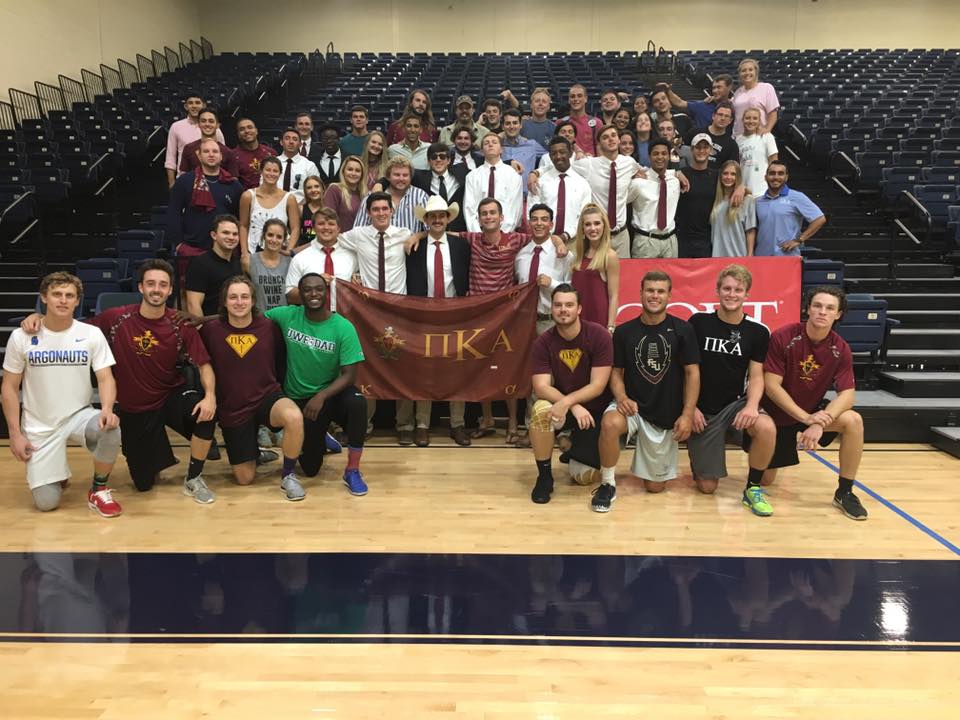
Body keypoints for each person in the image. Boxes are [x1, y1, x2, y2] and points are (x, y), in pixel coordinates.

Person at [17, 261, 218, 502]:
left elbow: (204, 365)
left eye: (163, 285)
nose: (157, 289)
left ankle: (193, 478)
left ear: (170, 290)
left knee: (205, 415)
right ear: (141, 287)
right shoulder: (116, 318)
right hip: (136, 408)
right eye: (151, 284)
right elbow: (70, 325)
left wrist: (210, 396)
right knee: (144, 484)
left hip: (170, 396)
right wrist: (39, 315)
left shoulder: (179, 324)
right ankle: (157, 455)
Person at [2, 272, 122, 516]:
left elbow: (106, 377)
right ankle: (57, 473)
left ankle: (98, 490)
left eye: (70, 295)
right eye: (57, 294)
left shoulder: (90, 334)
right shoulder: (22, 336)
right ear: (44, 298)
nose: (63, 300)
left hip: (79, 415)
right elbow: (9, 387)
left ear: (77, 301)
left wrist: (108, 409)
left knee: (110, 427)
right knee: (46, 504)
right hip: (40, 425)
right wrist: (15, 434)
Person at [751, 286, 868, 520]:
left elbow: (848, 394)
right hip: (778, 415)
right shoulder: (784, 336)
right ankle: (755, 479)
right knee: (767, 480)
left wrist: (820, 423)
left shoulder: (841, 348)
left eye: (829, 308)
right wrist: (806, 419)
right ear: (807, 308)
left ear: (838, 314)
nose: (822, 312)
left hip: (812, 413)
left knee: (853, 420)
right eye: (817, 305)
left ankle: (844, 492)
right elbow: (772, 386)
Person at [595, 271, 700, 511]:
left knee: (654, 487)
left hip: (665, 413)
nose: (655, 296)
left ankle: (646, 465)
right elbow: (616, 372)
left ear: (669, 296)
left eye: (660, 291)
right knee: (610, 422)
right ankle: (607, 484)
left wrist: (687, 413)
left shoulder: (683, 330)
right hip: (632, 407)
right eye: (650, 290)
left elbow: (692, 374)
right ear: (640, 293)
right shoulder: (623, 332)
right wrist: (621, 397)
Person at [199, 276, 305, 499]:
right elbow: (202, 364)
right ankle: (254, 452)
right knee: (244, 479)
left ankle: (288, 475)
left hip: (267, 396)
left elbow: (280, 360)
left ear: (253, 301)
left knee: (293, 416)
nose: (239, 302)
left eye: (245, 297)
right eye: (233, 297)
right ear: (225, 302)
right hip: (234, 408)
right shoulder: (210, 330)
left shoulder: (268, 327)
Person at [265, 274, 369, 495]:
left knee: (358, 403)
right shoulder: (287, 315)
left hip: (329, 395)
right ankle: (320, 434)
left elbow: (350, 375)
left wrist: (321, 396)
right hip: (300, 399)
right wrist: (203, 320)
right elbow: (245, 316)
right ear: (299, 295)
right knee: (310, 469)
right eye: (308, 290)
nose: (313, 294)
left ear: (327, 292)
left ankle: (352, 470)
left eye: (319, 289)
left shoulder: (343, 327)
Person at [686, 265, 776, 513]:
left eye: (738, 290)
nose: (732, 294)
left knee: (766, 428)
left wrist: (750, 406)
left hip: (736, 404)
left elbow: (757, 376)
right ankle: (705, 455)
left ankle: (752, 489)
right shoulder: (698, 323)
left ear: (747, 294)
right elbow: (686, 371)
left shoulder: (757, 332)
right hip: (704, 410)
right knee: (707, 487)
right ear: (717, 291)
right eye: (727, 288)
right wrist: (689, 409)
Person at [338, 192, 416, 444]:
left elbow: (431, 234)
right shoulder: (358, 235)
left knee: (402, 367)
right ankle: (365, 423)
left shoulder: (404, 233)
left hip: (398, 311)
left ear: (392, 211)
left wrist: (419, 235)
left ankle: (405, 424)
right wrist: (292, 250)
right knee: (368, 366)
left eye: (385, 208)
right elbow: (328, 239)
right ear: (369, 212)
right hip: (369, 314)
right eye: (376, 209)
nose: (381, 213)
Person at [528, 284, 613, 504]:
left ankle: (571, 445)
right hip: (563, 410)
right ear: (552, 308)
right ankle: (545, 477)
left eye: (569, 305)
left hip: (592, 415)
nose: (563, 310)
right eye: (558, 305)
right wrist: (571, 405)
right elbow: (541, 387)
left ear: (579, 309)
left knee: (583, 478)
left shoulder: (598, 335)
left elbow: (598, 385)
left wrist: (570, 401)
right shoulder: (543, 342)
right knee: (539, 410)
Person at [405, 196, 472, 446]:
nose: (437, 220)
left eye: (441, 215)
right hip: (423, 315)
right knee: (425, 370)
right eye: (432, 216)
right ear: (425, 220)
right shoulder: (414, 246)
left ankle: (458, 424)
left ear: (448, 218)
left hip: (455, 313)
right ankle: (422, 424)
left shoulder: (461, 246)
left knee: (457, 369)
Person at [166, 139, 242, 287]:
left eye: (215, 152)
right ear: (199, 156)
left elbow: (239, 219)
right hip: (192, 248)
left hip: (225, 251)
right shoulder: (185, 181)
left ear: (221, 156)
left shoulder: (233, 185)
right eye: (206, 151)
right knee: (186, 293)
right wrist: (178, 244)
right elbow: (173, 213)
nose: (211, 155)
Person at [516, 203, 574, 335]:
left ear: (551, 225)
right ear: (529, 223)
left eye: (544, 219)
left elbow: (573, 290)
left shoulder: (564, 255)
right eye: (534, 219)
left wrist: (552, 284)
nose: (539, 223)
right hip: (522, 322)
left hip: (551, 323)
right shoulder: (520, 256)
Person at [286, 207, 357, 312]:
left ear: (338, 229)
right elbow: (290, 296)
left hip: (345, 318)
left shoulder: (352, 256)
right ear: (314, 228)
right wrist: (314, 285)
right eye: (321, 224)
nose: (326, 227)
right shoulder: (300, 258)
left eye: (331, 224)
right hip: (312, 320)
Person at [755, 161, 826, 257]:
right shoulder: (758, 202)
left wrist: (799, 240)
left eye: (780, 173)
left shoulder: (797, 197)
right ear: (765, 177)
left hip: (787, 257)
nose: (776, 177)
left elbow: (820, 219)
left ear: (786, 177)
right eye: (772, 173)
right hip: (761, 257)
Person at [528, 137, 592, 243]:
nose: (558, 156)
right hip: (544, 240)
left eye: (562, 152)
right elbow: (532, 211)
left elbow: (583, 215)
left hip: (573, 240)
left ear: (571, 153)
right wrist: (544, 235)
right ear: (550, 156)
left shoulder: (582, 183)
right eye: (554, 153)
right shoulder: (540, 182)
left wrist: (566, 235)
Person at [238, 156, 299, 261]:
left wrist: (289, 251)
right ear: (261, 171)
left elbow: (295, 228)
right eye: (268, 170)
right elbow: (243, 225)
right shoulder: (248, 196)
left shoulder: (289, 198)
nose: (271, 174)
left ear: (280, 174)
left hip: (280, 253)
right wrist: (244, 252)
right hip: (253, 253)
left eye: (275, 171)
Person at [629, 138, 681, 259]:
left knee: (671, 277)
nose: (660, 157)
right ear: (649, 156)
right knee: (642, 277)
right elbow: (621, 202)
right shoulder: (638, 183)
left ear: (669, 156)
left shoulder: (675, 182)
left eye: (664, 153)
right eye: (655, 154)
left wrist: (676, 173)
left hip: (670, 240)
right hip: (646, 240)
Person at [571, 203, 619, 331]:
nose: (593, 228)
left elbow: (613, 296)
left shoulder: (610, 256)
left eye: (597, 223)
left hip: (598, 324)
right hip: (576, 324)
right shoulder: (578, 257)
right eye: (588, 224)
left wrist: (610, 327)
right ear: (582, 228)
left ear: (604, 226)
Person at [185, 214, 243, 319]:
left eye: (235, 234)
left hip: (237, 327)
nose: (231, 237)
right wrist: (203, 332)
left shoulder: (239, 264)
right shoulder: (200, 264)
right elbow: (193, 305)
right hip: (211, 329)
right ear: (214, 235)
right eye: (226, 233)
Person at [463, 134, 523, 233]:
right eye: (486, 143)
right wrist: (478, 236)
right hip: (478, 234)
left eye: (494, 142)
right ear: (482, 151)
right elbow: (469, 209)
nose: (490, 145)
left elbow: (515, 210)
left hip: (506, 235)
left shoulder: (513, 175)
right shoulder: (472, 176)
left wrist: (501, 236)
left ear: (501, 149)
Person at [164, 92, 224, 188]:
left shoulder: (215, 129)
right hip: (184, 180)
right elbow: (170, 158)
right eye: (190, 103)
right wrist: (172, 183)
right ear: (186, 106)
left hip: (211, 180)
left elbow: (222, 156)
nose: (194, 106)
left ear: (203, 105)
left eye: (197, 102)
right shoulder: (176, 127)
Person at [353, 158, 428, 233]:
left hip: (409, 244)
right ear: (388, 177)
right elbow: (358, 230)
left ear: (410, 177)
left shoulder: (420, 196)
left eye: (405, 175)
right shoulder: (372, 196)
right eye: (397, 175)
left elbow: (430, 229)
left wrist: (417, 236)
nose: (401, 179)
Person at [675, 134, 719, 258]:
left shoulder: (717, 176)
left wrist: (742, 188)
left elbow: (736, 183)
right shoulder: (681, 173)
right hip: (682, 238)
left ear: (710, 150)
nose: (701, 151)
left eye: (705, 148)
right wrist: (676, 173)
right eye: (698, 147)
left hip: (707, 238)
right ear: (692, 149)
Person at [413, 142, 469, 232]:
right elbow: (399, 175)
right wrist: (381, 184)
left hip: (459, 232)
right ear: (428, 161)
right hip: (434, 231)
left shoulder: (461, 171)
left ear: (449, 160)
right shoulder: (419, 177)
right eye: (434, 157)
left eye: (442, 157)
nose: (438, 160)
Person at [711, 161, 757, 257]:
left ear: (738, 177)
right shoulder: (715, 200)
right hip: (716, 259)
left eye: (733, 174)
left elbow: (750, 231)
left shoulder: (748, 200)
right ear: (720, 176)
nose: (729, 177)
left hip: (739, 257)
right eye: (725, 173)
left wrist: (750, 255)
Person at [178, 109, 239, 179]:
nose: (207, 124)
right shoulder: (188, 148)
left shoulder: (228, 152)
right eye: (203, 121)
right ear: (198, 124)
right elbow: (183, 177)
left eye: (211, 121)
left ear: (217, 125)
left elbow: (233, 180)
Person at [661, 75, 735, 131]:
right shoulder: (702, 105)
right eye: (714, 88)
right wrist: (668, 91)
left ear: (729, 87)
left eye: (719, 87)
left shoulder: (735, 107)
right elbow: (680, 103)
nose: (715, 91)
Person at [248, 219, 292, 311]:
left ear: (284, 240)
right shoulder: (249, 260)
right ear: (264, 235)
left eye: (279, 237)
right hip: (259, 319)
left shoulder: (290, 262)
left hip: (283, 319)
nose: (274, 240)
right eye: (270, 235)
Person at [680, 102, 739, 168]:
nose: (723, 118)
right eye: (720, 114)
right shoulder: (695, 132)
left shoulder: (731, 145)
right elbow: (680, 149)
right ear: (713, 116)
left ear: (730, 121)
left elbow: (733, 169)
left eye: (726, 116)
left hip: (715, 177)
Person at [732, 58, 780, 137]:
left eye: (750, 69)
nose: (747, 73)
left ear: (756, 72)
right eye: (743, 70)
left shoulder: (766, 88)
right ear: (740, 74)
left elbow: (773, 113)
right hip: (738, 137)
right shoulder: (737, 92)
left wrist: (767, 129)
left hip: (758, 136)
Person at [737, 108, 779, 197]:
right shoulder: (738, 139)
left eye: (755, 118)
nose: (751, 121)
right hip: (744, 192)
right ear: (742, 120)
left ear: (759, 120)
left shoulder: (766, 136)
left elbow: (774, 162)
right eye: (748, 118)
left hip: (763, 190)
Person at [501, 108, 547, 190]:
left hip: (526, 197)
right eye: (508, 123)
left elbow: (550, 159)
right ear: (503, 126)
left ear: (521, 125)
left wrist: (536, 173)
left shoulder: (532, 145)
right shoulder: (497, 146)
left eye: (515, 123)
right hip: (502, 196)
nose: (511, 127)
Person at [276, 127, 321, 202]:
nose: (291, 142)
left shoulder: (309, 166)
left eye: (295, 139)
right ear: (281, 142)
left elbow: (316, 191)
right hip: (274, 205)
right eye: (287, 138)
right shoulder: (272, 163)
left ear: (300, 144)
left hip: (301, 207)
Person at [557, 84, 602, 156]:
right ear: (569, 100)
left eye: (579, 96)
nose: (576, 99)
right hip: (568, 164)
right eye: (572, 96)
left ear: (586, 98)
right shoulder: (560, 123)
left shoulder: (597, 123)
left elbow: (600, 147)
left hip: (590, 164)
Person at [322, 155, 365, 231]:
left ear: (362, 174)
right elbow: (328, 219)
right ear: (343, 171)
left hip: (360, 239)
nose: (353, 173)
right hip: (340, 239)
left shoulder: (363, 194)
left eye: (357, 171)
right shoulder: (334, 189)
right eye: (350, 169)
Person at [233, 117, 277, 190]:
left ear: (256, 131)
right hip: (246, 198)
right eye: (242, 129)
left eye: (250, 127)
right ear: (238, 134)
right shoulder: (233, 156)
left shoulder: (271, 153)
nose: (246, 131)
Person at [297, 176, 326, 248]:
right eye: (309, 188)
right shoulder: (300, 209)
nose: (313, 190)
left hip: (325, 248)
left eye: (316, 186)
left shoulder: (329, 208)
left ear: (322, 188)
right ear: (305, 191)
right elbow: (296, 232)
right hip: (304, 250)